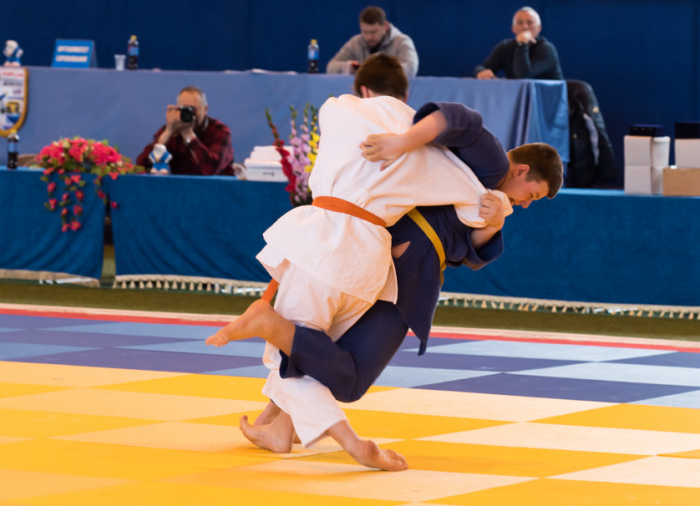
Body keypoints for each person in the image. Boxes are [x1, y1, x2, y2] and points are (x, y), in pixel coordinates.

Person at [209, 53, 509, 470]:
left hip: (324, 241)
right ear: (406, 94)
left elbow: (337, 112)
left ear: (364, 89)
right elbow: (475, 202)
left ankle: (352, 443)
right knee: (310, 348)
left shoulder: (340, 108)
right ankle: (276, 430)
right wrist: (499, 211)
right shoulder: (428, 147)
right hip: (369, 263)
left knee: (284, 344)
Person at [208, 141, 561, 455]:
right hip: (394, 273)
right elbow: (453, 123)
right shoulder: (466, 161)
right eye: (532, 195)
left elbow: (468, 251)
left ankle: (279, 427)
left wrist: (495, 224)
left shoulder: (488, 194)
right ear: (522, 170)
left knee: (320, 346)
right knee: (350, 376)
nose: (526, 204)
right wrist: (404, 140)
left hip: (385, 263)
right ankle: (271, 331)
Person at [135, 86, 234, 175]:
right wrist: (167, 133)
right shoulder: (172, 130)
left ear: (205, 109)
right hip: (182, 187)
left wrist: (188, 134)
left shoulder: (220, 131)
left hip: (217, 187)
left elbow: (211, 170)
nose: (189, 113)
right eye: (184, 109)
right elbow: (141, 166)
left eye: (193, 109)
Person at [326, 6, 419, 77]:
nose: (369, 37)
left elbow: (411, 69)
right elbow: (330, 67)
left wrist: (381, 69)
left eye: (373, 32)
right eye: (365, 32)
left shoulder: (402, 42)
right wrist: (347, 67)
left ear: (385, 26)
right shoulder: (355, 42)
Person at [475, 6, 563, 80]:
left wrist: (521, 44)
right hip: (517, 94)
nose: (525, 27)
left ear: (539, 28)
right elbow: (483, 67)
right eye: (520, 23)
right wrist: (481, 72)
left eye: (530, 22)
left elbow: (523, 76)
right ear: (513, 28)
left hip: (545, 95)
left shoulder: (547, 49)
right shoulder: (506, 46)